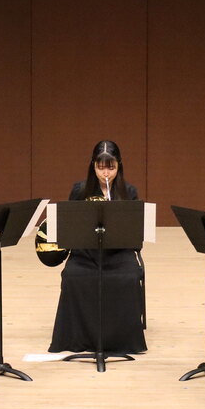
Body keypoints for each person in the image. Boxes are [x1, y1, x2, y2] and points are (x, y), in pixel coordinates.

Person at [48, 140, 147, 355]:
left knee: (129, 276)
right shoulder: (79, 190)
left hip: (118, 252)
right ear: (93, 166)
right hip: (86, 252)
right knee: (73, 276)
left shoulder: (129, 191)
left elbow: (134, 236)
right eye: (101, 167)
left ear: (119, 166)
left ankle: (119, 339)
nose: (106, 173)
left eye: (111, 167)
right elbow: (69, 227)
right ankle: (79, 336)